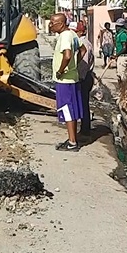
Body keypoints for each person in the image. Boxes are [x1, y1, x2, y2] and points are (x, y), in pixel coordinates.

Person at [49, 13, 83, 151]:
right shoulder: (73, 34)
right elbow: (83, 50)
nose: (50, 25)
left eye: (53, 23)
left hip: (64, 80)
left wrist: (61, 70)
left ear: (61, 24)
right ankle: (72, 139)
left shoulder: (64, 36)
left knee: (67, 111)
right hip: (72, 78)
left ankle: (72, 143)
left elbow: (67, 55)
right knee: (72, 110)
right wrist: (74, 66)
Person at [75, 21, 95, 139]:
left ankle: (85, 129)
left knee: (83, 104)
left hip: (84, 77)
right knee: (83, 103)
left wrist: (79, 78)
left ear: (81, 32)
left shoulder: (84, 44)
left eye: (75, 31)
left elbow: (84, 64)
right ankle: (84, 127)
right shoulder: (83, 42)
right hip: (86, 76)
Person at [114, 18, 127, 83]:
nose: (116, 28)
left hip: (123, 57)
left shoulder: (123, 35)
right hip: (120, 57)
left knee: (122, 76)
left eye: (117, 26)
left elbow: (124, 48)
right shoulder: (119, 34)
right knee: (119, 75)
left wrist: (117, 55)